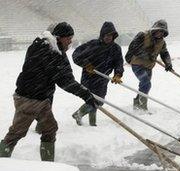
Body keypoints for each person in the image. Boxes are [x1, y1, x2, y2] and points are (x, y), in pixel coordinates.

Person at [0, 22, 98, 161]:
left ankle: (48, 165)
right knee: (16, 133)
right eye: (68, 38)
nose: (71, 41)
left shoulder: (55, 50)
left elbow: (66, 75)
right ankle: (2, 160)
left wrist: (86, 94)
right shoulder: (46, 50)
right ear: (58, 37)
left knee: (50, 129)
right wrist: (85, 94)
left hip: (41, 98)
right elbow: (63, 80)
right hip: (29, 98)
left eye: (71, 37)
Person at [71, 21, 124, 126]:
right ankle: (80, 115)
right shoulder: (92, 44)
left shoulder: (116, 48)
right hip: (89, 77)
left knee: (99, 101)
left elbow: (119, 62)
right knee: (94, 101)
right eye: (106, 35)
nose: (108, 37)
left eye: (111, 35)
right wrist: (86, 64)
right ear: (102, 34)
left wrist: (118, 74)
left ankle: (91, 123)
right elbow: (76, 55)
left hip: (103, 79)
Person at [125, 19, 173, 111]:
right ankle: (143, 107)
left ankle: (137, 103)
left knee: (144, 85)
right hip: (137, 64)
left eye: (162, 32)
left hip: (149, 67)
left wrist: (168, 63)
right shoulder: (142, 35)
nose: (160, 34)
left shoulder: (162, 42)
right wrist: (147, 55)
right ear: (155, 29)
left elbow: (164, 53)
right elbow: (133, 47)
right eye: (159, 31)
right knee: (146, 83)